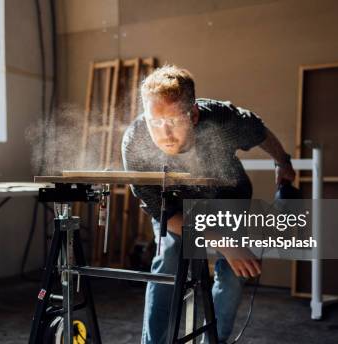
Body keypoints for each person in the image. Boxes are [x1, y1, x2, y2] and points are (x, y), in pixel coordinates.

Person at [121, 65, 296, 343]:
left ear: (192, 114)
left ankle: (215, 340)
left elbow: (259, 131)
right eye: (155, 121)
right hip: (176, 208)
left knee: (233, 274)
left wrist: (283, 161)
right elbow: (163, 215)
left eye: (173, 121)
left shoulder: (223, 119)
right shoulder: (135, 143)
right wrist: (221, 240)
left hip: (227, 198)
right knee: (168, 263)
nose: (164, 132)